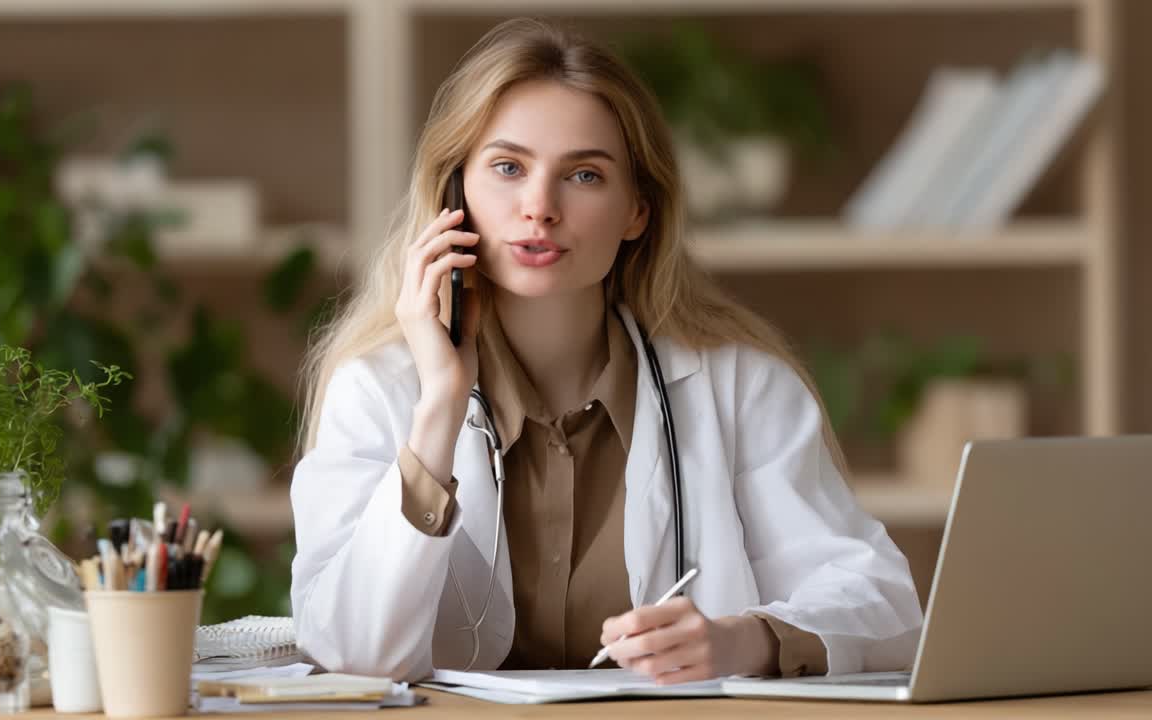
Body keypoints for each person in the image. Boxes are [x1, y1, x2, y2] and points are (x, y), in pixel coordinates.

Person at [289, 17, 922, 684]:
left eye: (584, 176)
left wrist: (747, 642)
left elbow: (889, 612)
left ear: (636, 211)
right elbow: (351, 656)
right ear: (456, 196)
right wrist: (440, 409)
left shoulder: (741, 388)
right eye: (507, 168)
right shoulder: (378, 392)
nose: (539, 208)